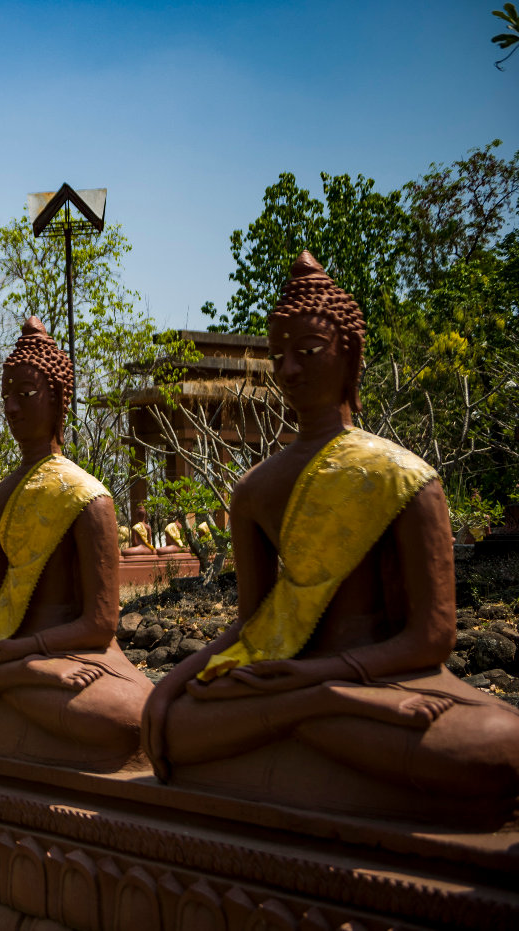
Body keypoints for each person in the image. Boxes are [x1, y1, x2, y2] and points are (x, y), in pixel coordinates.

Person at [142, 252, 519, 822]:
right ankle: (311, 713)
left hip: (376, 675)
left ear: (350, 355)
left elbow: (431, 638)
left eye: (309, 352)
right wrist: (172, 683)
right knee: (170, 723)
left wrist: (319, 678)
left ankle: (306, 714)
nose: (290, 370)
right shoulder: (254, 490)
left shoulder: (404, 477)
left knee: (495, 748)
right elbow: (251, 625)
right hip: (286, 680)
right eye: (278, 357)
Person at [0, 318, 150, 770]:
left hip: (70, 649)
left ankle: (9, 681)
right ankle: (15, 679)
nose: (11, 407)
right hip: (10, 654)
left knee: (127, 718)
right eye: (6, 396)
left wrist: (23, 651)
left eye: (25, 394)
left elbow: (99, 624)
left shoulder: (89, 497)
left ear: (59, 399)